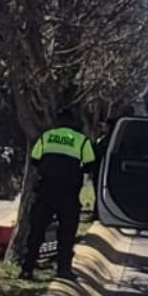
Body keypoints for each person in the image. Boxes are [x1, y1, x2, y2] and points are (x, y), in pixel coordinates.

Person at [20, 109, 96, 281]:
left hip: (46, 190)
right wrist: (75, 170)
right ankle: (63, 270)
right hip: (69, 192)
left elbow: (35, 159)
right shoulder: (81, 140)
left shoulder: (47, 136)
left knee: (37, 230)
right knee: (67, 232)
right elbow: (90, 164)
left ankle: (27, 268)